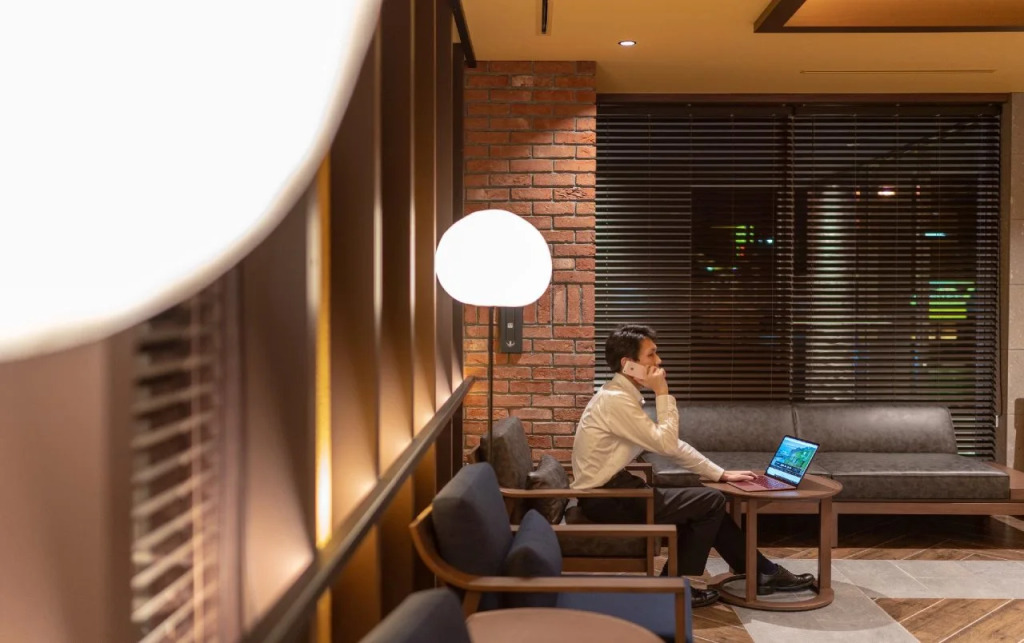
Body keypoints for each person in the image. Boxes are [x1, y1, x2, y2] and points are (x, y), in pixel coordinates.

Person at [571, 324, 814, 607]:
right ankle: (674, 588)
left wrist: (719, 473)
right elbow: (667, 444)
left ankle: (763, 572)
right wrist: (663, 393)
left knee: (706, 505)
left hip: (616, 490)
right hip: (606, 498)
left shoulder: (618, 396)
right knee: (710, 501)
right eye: (651, 355)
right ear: (628, 364)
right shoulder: (616, 401)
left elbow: (672, 445)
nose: (659, 361)